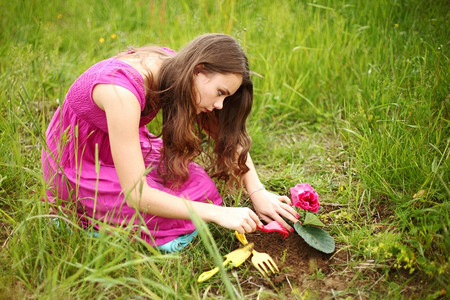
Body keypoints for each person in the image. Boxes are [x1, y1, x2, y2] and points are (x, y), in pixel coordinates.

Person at [42, 33, 299, 252]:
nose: (220, 104)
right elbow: (137, 194)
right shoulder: (120, 91)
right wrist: (219, 214)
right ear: (198, 70)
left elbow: (225, 135)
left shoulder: (177, 70)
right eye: (220, 93)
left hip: (118, 144)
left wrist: (257, 192)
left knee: (201, 187)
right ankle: (76, 216)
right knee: (159, 214)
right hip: (79, 164)